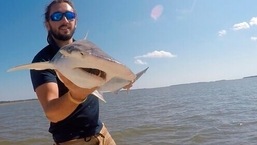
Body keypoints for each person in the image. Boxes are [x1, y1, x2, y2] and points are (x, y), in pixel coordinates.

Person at [30, 0, 116, 144]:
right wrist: (76, 95)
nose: (65, 20)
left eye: (69, 15)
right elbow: (52, 113)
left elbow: (104, 78)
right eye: (57, 16)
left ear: (75, 21)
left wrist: (121, 81)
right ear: (47, 24)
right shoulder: (43, 61)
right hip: (71, 141)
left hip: (103, 134)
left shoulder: (90, 50)